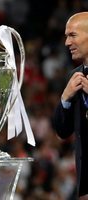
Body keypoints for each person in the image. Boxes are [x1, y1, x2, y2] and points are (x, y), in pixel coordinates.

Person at [53, 12, 88, 200]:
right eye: (66, 36)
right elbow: (61, 132)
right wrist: (65, 99)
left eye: (72, 35)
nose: (67, 42)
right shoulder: (74, 76)